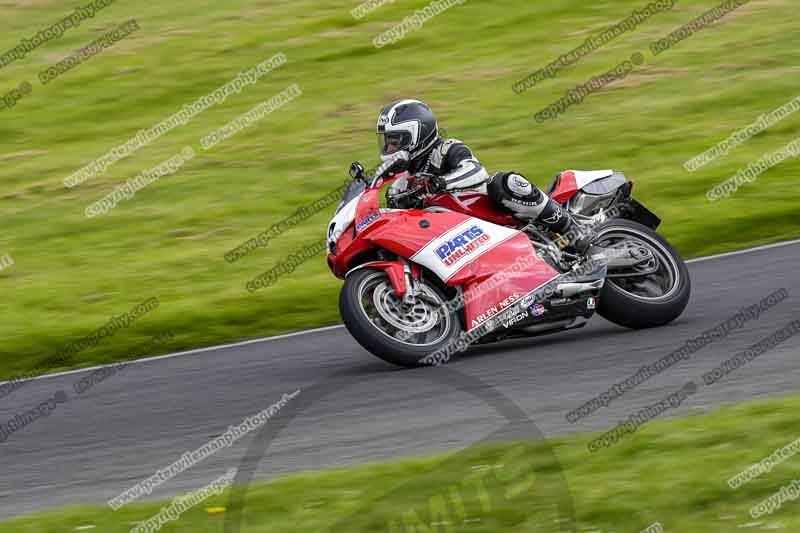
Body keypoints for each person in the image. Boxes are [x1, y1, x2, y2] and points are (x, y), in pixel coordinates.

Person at [375, 99, 592, 251]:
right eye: (387, 142)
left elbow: (476, 171)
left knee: (506, 182)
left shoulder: (447, 149)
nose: (389, 148)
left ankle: (575, 232)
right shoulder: (399, 186)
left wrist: (441, 183)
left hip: (491, 214)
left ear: (418, 134)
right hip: (454, 243)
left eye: (395, 141)